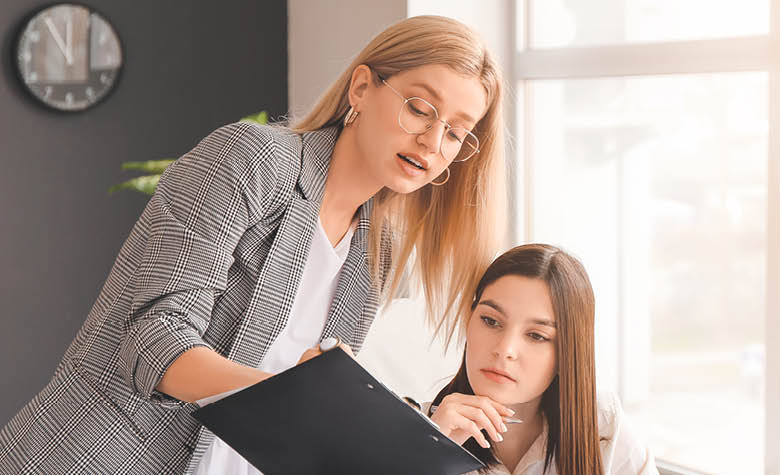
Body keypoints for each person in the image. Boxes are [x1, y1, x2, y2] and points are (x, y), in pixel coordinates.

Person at [0, 15, 506, 475]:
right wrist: (298, 397)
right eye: (421, 108)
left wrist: (414, 433)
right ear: (361, 88)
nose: (432, 143)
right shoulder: (253, 159)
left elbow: (307, 425)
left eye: (457, 134)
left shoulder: (378, 249)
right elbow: (154, 341)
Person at [425, 244, 658, 475]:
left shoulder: (604, 429)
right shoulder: (421, 430)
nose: (505, 349)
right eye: (491, 321)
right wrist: (427, 460)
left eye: (537, 336)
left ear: (567, 354)